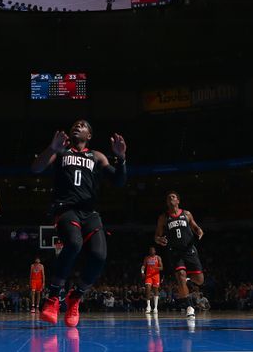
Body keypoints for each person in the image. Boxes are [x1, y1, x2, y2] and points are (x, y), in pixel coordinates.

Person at [32, 120, 127, 327]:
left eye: (82, 125)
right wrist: (51, 149)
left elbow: (119, 181)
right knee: (74, 244)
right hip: (66, 209)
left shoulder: (97, 156)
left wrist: (121, 158)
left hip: (89, 212)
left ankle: (75, 297)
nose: (77, 126)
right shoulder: (61, 152)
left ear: (89, 135)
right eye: (75, 124)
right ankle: (53, 296)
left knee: (99, 255)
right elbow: (36, 168)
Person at [154, 191, 205, 318]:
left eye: (173, 197)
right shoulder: (163, 217)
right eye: (169, 197)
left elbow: (196, 227)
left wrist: (199, 231)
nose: (171, 198)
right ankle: (189, 307)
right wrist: (159, 240)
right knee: (180, 276)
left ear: (178, 201)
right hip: (175, 251)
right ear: (167, 202)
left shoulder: (186, 214)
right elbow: (157, 236)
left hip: (189, 250)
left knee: (200, 280)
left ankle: (187, 280)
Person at [142, 247, 163, 313]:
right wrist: (142, 272)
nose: (151, 251)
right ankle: (148, 306)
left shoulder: (158, 258)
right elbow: (143, 266)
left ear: (155, 251)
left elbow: (161, 267)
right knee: (147, 289)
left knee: (155, 291)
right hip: (148, 276)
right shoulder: (146, 258)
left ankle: (155, 307)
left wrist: (157, 268)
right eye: (150, 250)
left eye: (152, 250)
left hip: (156, 276)